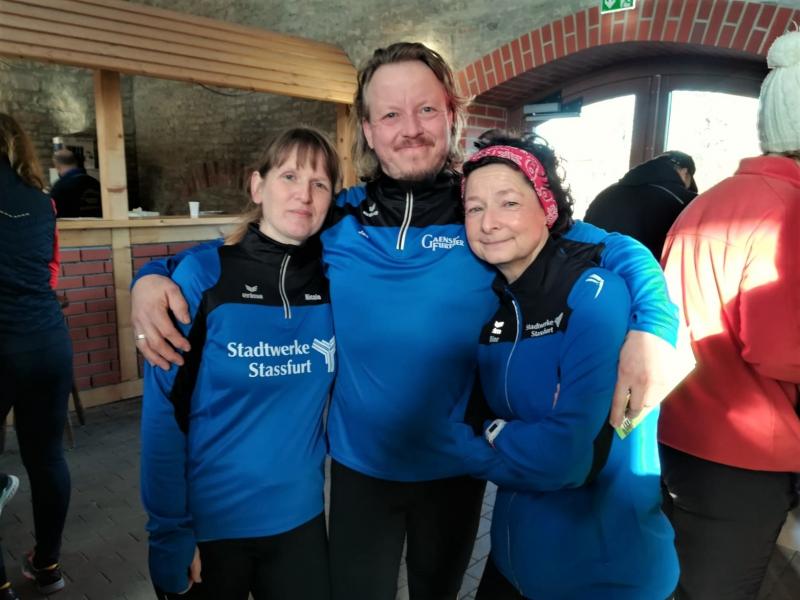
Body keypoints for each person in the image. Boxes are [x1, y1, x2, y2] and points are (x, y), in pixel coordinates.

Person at [130, 43, 681, 600]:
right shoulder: (338, 216)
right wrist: (151, 277)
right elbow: (246, 251)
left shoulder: (481, 209)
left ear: (451, 117)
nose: (410, 129)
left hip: (457, 470)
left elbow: (612, 248)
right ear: (369, 131)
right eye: (391, 114)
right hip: (361, 472)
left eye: (426, 110)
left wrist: (656, 326)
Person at [452, 133, 678, 600]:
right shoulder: (497, 300)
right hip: (514, 561)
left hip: (603, 575)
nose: (489, 222)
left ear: (547, 207)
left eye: (509, 202)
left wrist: (486, 435)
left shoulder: (594, 294)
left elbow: (565, 461)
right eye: (474, 208)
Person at [140, 127, 339, 600]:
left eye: (320, 183)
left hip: (300, 523)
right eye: (289, 176)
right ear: (257, 186)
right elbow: (163, 417)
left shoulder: (336, 279)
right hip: (212, 528)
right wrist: (170, 532)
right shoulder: (203, 276)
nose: (304, 194)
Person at [659, 29, 800, 600]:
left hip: (678, 431)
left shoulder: (708, 200)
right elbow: (780, 351)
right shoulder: (790, 209)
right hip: (747, 452)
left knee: (677, 580)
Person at [0, 113, 72, 597]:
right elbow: (51, 273)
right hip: (46, 341)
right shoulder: (43, 203)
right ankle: (47, 565)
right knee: (47, 459)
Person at [584, 150, 697, 258]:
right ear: (684, 172)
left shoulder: (608, 192)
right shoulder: (684, 200)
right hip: (648, 269)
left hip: (592, 266)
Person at [50, 149, 101, 218]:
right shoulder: (95, 183)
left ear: (56, 165)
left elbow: (52, 214)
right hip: (100, 224)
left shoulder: (59, 187)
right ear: (75, 162)